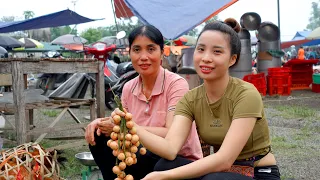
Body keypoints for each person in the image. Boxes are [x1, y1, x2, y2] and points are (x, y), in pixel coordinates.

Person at [113, 19, 280, 180]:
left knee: (207, 178)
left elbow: (224, 159)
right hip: (220, 173)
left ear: (232, 59)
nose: (206, 58)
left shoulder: (246, 94)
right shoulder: (191, 99)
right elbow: (171, 149)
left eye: (217, 51)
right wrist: (131, 126)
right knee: (166, 165)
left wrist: (164, 177)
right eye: (201, 49)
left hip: (257, 173)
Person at [85, 25, 203, 180]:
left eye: (151, 49)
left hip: (178, 161)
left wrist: (126, 127)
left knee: (163, 165)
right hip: (145, 154)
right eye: (137, 50)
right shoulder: (128, 87)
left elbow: (170, 134)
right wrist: (101, 123)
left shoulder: (176, 84)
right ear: (130, 53)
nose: (143, 57)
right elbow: (122, 124)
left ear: (162, 52)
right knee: (99, 136)